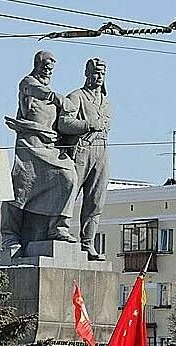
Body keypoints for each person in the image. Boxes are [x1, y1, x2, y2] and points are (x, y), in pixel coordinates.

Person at [0, 50, 80, 257]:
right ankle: (10, 235)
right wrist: (58, 98)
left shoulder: (50, 93)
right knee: (20, 188)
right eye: (45, 66)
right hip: (29, 142)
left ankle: (58, 227)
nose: (48, 71)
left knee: (68, 177)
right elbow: (36, 90)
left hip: (50, 146)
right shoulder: (28, 84)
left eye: (51, 68)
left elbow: (65, 122)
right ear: (37, 64)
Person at [59, 58, 110, 261]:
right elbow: (63, 122)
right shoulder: (77, 96)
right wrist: (87, 124)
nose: (98, 77)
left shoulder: (106, 102)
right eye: (95, 73)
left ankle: (88, 243)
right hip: (82, 149)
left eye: (102, 74)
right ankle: (60, 230)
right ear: (87, 74)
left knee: (96, 200)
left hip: (102, 150)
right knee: (70, 192)